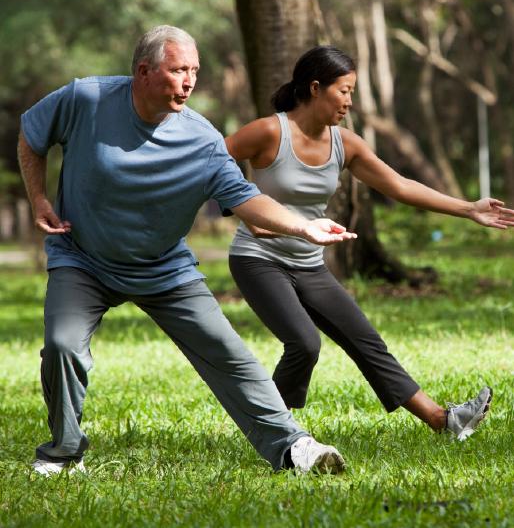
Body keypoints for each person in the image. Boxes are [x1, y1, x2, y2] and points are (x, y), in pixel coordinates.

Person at [18, 27, 358, 477]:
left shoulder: (202, 139)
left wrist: (303, 225)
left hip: (163, 267)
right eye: (179, 70)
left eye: (194, 71)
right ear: (143, 71)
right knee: (63, 346)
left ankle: (294, 447)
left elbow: (243, 197)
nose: (189, 81)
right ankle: (63, 453)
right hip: (83, 258)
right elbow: (32, 135)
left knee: (228, 351)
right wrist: (39, 198)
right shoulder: (87, 99)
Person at [225, 45, 514, 440]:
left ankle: (443, 421)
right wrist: (245, 213)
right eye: (343, 91)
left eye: (352, 92)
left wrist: (468, 208)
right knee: (305, 344)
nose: (349, 101)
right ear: (314, 88)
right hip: (258, 259)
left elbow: (399, 185)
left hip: (309, 263)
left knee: (367, 341)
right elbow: (211, 163)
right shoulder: (269, 132)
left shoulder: (345, 143)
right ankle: (273, 432)